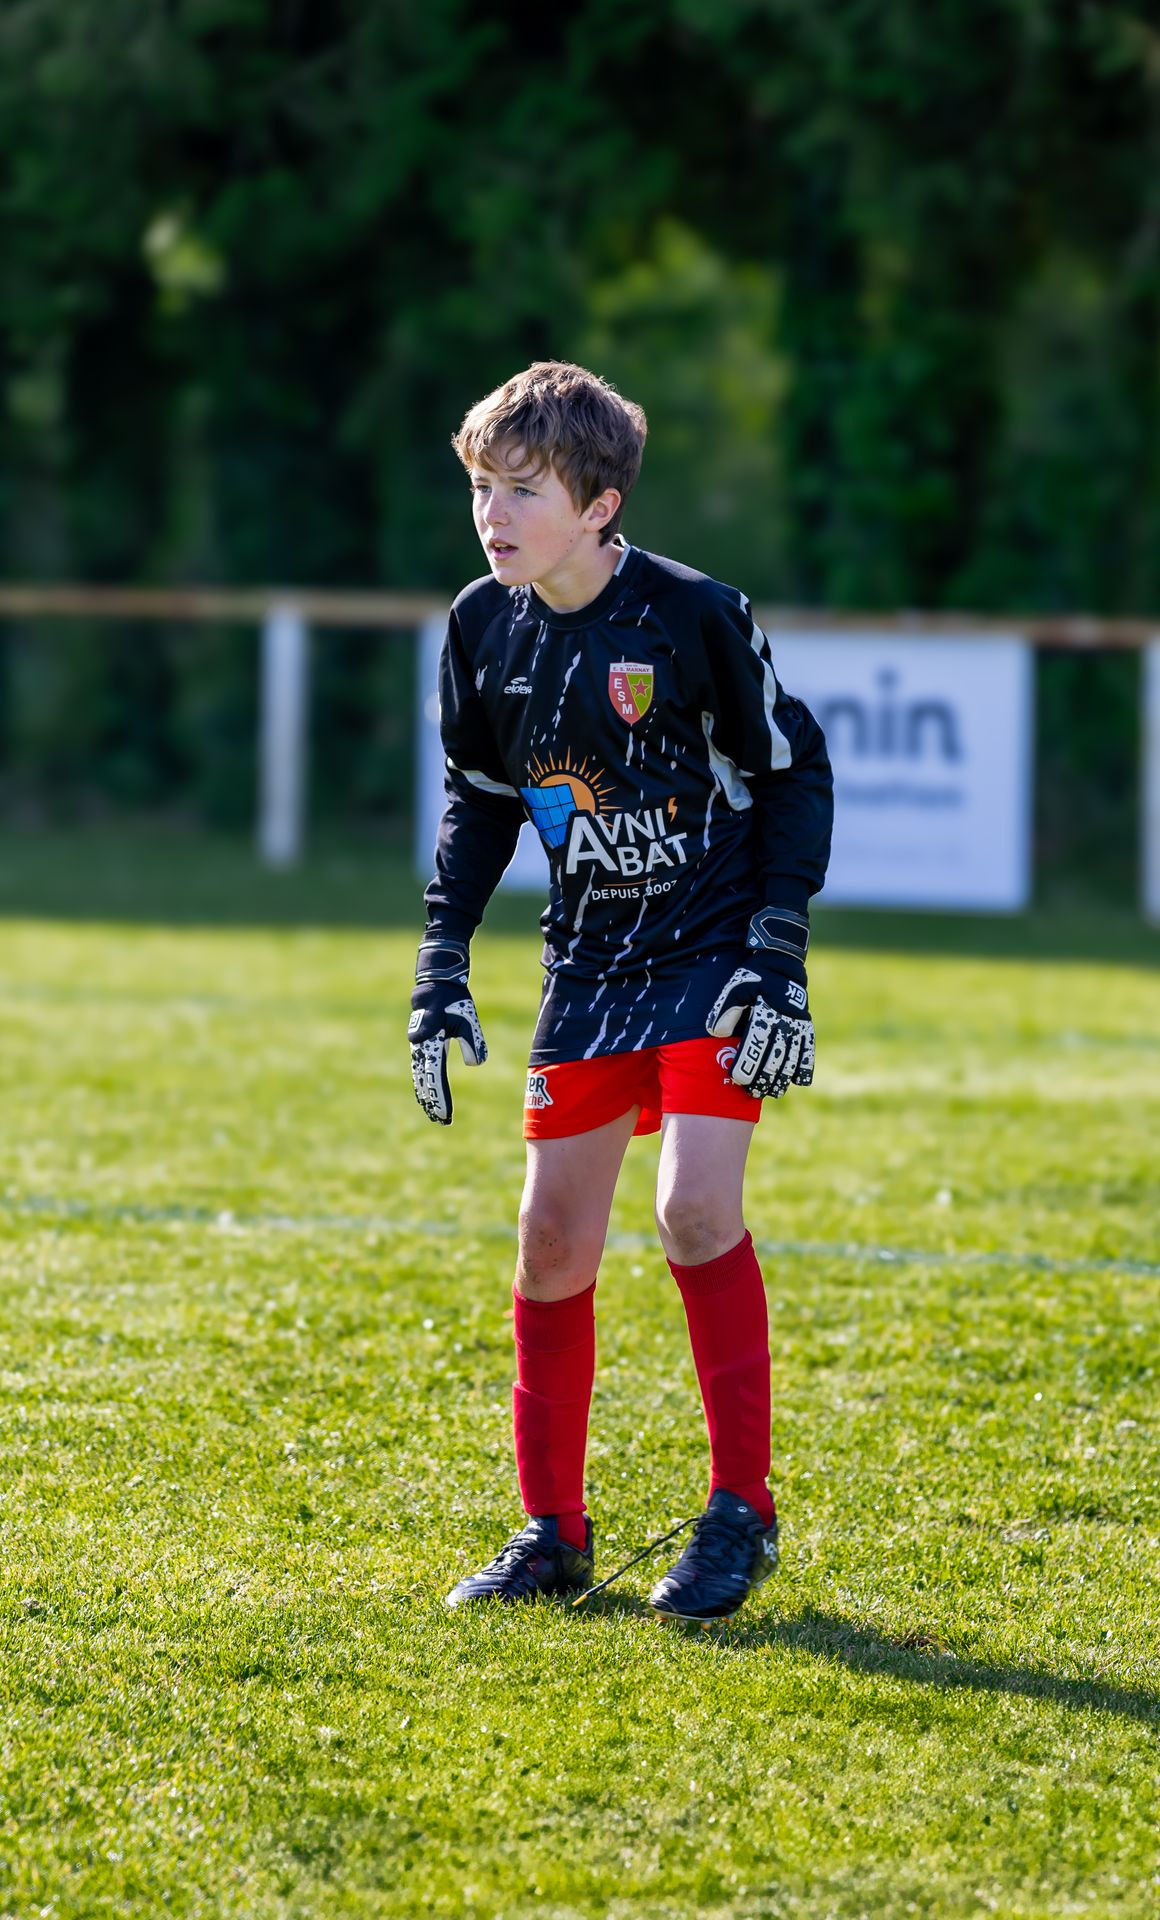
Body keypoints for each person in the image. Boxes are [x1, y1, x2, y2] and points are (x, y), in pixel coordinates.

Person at [410, 361, 833, 1623]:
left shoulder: (694, 615)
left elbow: (790, 773)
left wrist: (775, 950)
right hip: (588, 963)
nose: (493, 513)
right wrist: (441, 962)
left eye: (522, 488)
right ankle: (551, 1533)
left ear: (598, 505)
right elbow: (480, 804)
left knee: (693, 1213)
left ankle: (739, 1513)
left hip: (710, 949)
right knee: (548, 1246)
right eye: (483, 486)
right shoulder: (479, 626)